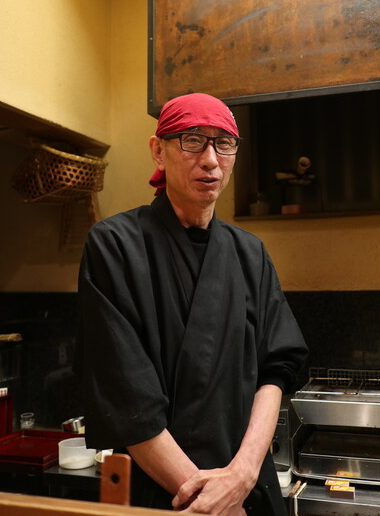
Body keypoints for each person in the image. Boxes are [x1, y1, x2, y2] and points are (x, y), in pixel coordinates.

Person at [76, 92, 308, 515]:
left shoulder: (250, 253)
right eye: (193, 140)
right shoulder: (115, 246)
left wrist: (241, 477)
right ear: (157, 151)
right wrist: (212, 504)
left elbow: (276, 369)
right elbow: (127, 398)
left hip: (247, 489)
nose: (211, 160)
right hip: (167, 497)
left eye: (224, 143)